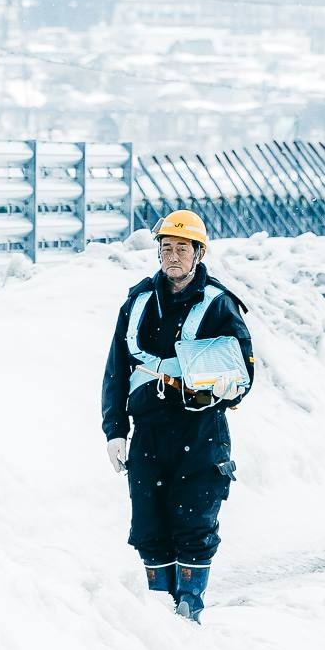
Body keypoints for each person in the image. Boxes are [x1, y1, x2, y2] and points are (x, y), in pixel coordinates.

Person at [101, 210, 256, 622]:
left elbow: (244, 372)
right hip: (149, 434)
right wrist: (115, 431)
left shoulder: (219, 305)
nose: (172, 256)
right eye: (165, 247)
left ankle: (188, 608)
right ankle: (159, 612)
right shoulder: (136, 303)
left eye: (181, 248)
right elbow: (116, 371)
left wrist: (220, 390)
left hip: (201, 432)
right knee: (150, 527)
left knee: (193, 524)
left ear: (198, 253)